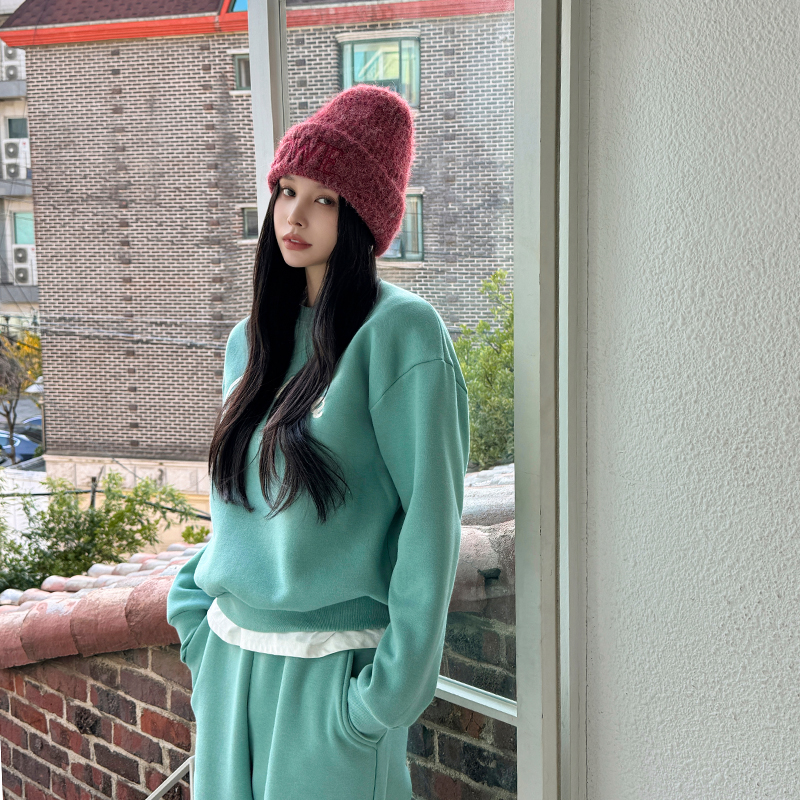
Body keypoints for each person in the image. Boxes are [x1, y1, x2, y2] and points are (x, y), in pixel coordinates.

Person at [166, 84, 470, 800]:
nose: (294, 215)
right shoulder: (251, 342)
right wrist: (197, 627)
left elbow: (432, 523)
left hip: (331, 684)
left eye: (324, 199)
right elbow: (238, 508)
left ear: (360, 215)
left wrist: (381, 703)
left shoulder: (400, 335)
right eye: (286, 191)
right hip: (229, 665)